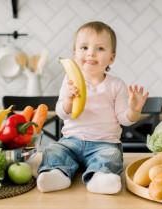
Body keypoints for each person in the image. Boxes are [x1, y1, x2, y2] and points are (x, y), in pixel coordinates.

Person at [37, 21, 149, 194]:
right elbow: (62, 114)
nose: (91, 53)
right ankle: (57, 173)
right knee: (54, 149)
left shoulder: (116, 85)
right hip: (71, 141)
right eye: (84, 47)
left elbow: (124, 120)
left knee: (112, 156)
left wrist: (134, 110)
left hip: (104, 144)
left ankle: (100, 177)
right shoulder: (69, 81)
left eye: (100, 49)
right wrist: (68, 99)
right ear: (75, 54)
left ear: (111, 58)